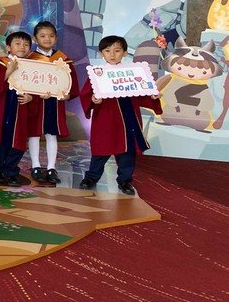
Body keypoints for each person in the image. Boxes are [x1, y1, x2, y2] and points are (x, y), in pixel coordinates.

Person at [79, 35, 162, 195]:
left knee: (127, 152)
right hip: (105, 119)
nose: (112, 54)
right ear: (101, 53)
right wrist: (93, 100)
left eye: (117, 50)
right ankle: (91, 178)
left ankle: (125, 181)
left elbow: (141, 94)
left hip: (129, 119)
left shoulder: (132, 73)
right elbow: (86, 95)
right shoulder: (97, 74)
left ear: (124, 53)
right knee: (101, 151)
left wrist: (152, 96)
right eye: (107, 50)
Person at [27, 21, 79, 184]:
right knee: (34, 133)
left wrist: (67, 95)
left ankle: (51, 167)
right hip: (35, 103)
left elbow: (71, 83)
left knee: (51, 134)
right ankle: (35, 166)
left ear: (56, 38)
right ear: (35, 39)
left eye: (51, 36)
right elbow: (23, 82)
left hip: (55, 104)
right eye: (42, 36)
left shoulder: (63, 60)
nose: (47, 39)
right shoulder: (29, 59)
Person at [0, 31, 34, 186]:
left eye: (26, 44)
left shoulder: (33, 67)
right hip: (2, 109)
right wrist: (9, 71)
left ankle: (11, 171)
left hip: (20, 110)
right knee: (0, 141)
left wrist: (31, 98)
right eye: (17, 43)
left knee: (18, 142)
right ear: (8, 47)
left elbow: (37, 89)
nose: (22, 47)